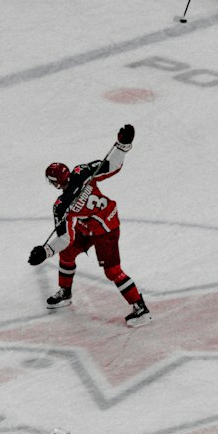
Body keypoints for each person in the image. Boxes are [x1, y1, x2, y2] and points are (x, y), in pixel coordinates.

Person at [27, 124, 149, 326]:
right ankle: (65, 293)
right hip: (89, 225)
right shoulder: (81, 172)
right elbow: (112, 166)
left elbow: (65, 238)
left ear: (56, 183)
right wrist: (122, 145)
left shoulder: (62, 205)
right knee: (67, 254)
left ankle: (141, 308)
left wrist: (46, 251)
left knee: (113, 271)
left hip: (106, 229)